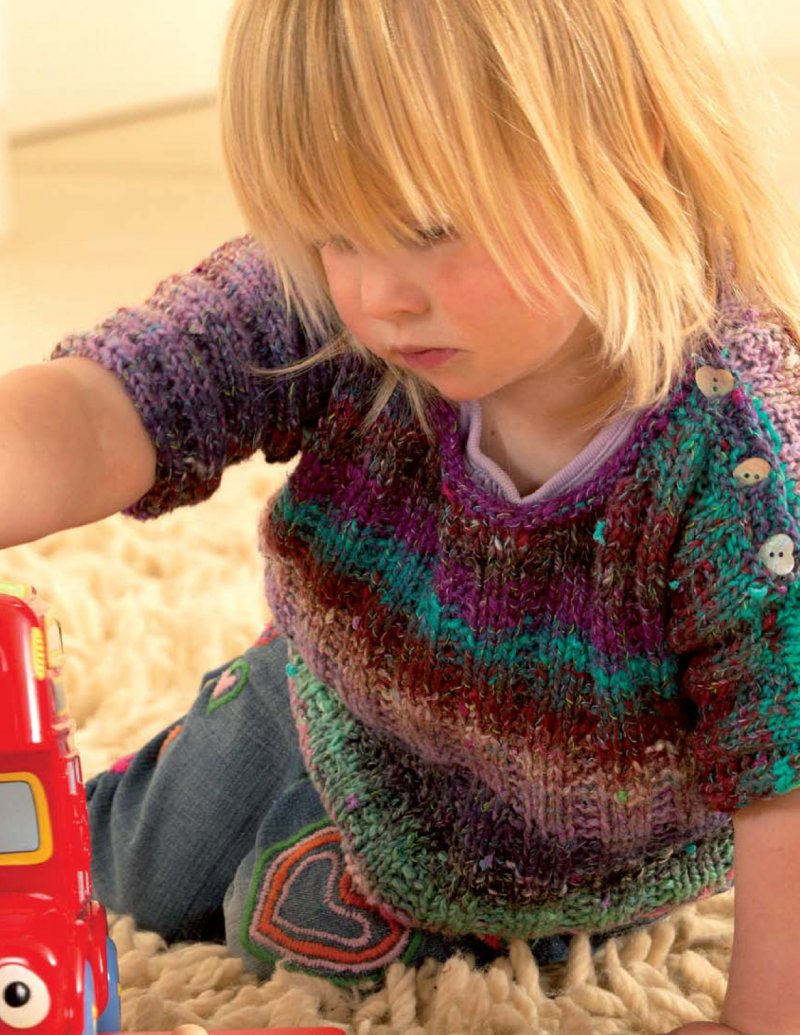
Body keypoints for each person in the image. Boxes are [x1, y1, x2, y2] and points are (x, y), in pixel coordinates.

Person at [2, 0, 800, 1030]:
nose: (379, 297)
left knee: (285, 933)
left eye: (428, 230)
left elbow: (786, 775)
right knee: (115, 864)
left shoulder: (743, 460)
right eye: (332, 232)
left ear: (622, 146)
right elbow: (113, 403)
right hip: (331, 702)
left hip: (561, 846)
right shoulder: (337, 309)